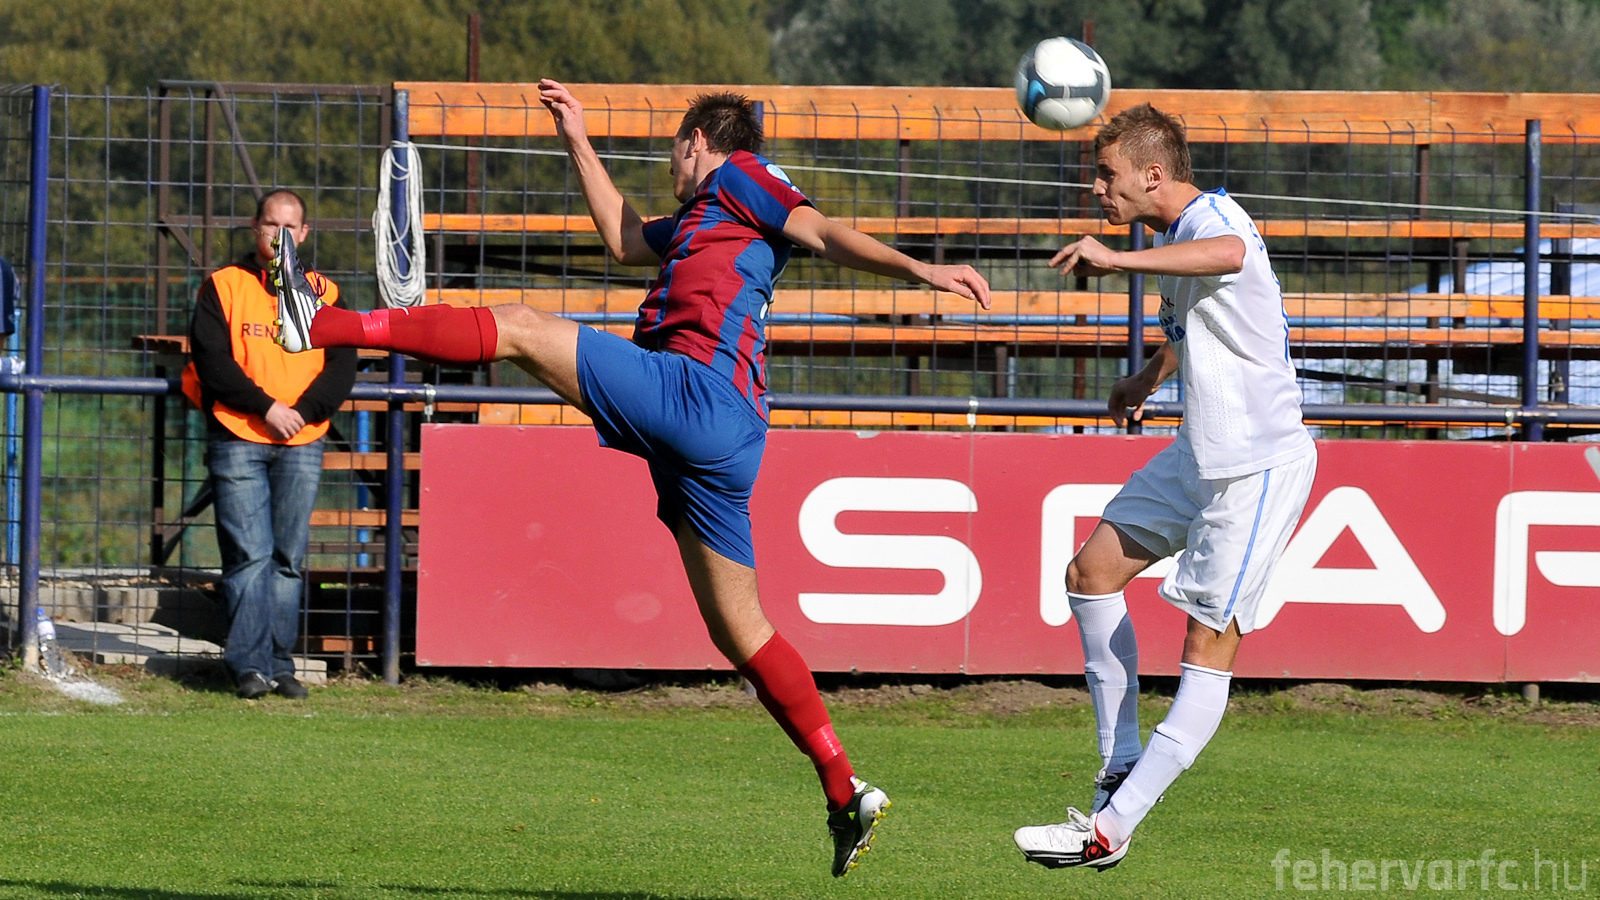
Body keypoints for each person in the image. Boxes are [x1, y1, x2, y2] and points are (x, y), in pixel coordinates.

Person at [270, 80, 991, 876]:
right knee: (740, 632)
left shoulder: (742, 175)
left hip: (697, 395)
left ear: (695, 143)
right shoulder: (707, 215)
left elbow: (820, 231)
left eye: (673, 153)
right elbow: (622, 239)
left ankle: (322, 322)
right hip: (725, 435)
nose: (670, 168)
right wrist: (577, 138)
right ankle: (844, 787)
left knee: (520, 326)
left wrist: (921, 270)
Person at [1012, 103, 1316, 870]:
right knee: (1090, 572)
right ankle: (1120, 761)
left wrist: (1116, 263)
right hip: (1198, 454)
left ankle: (1109, 829)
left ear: (1153, 175)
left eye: (1105, 175)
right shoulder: (1177, 235)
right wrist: (1149, 374)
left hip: (1255, 467)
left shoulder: (1216, 219)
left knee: (1205, 646)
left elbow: (1230, 255)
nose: (1095, 189)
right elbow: (1202, 318)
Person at [183, 189, 357, 700]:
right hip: (238, 434)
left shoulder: (327, 293)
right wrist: (267, 407)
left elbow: (342, 365)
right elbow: (212, 361)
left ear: (303, 234)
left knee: (286, 557)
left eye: (289, 227)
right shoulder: (223, 285)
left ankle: (281, 665)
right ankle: (248, 666)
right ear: (255, 227)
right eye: (270, 224)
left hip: (304, 438)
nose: (279, 235)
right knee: (248, 555)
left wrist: (303, 411)